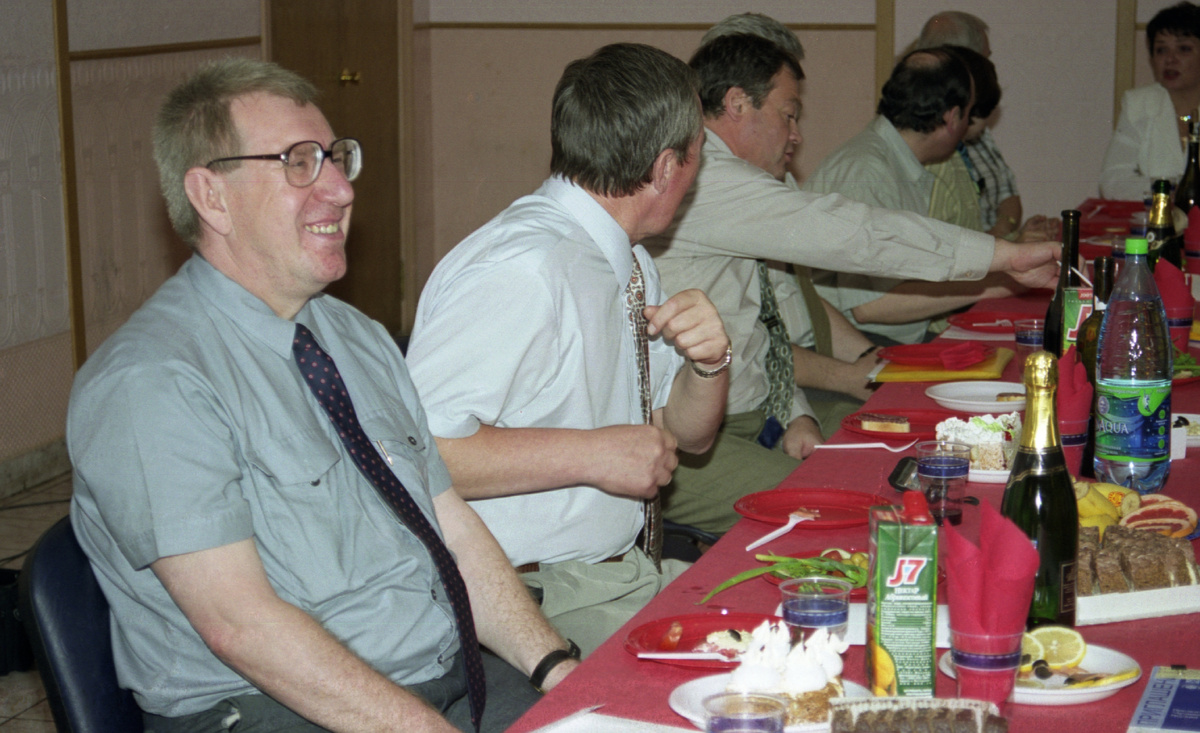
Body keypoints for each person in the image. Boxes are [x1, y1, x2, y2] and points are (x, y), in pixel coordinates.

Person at [68, 58, 576, 733]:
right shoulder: (152, 382)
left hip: (436, 676)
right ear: (211, 196)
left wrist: (559, 672)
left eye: (336, 159)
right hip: (271, 706)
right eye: (298, 163)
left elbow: (451, 529)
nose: (339, 188)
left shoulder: (355, 336)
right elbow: (240, 626)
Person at [645, 29, 1061, 518]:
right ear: (737, 104)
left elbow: (762, 329)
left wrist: (796, 413)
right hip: (688, 434)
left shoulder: (741, 183)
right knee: (856, 507)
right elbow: (859, 235)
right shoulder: (709, 180)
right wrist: (1001, 257)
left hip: (754, 411)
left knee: (899, 450)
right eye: (789, 114)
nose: (796, 134)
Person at [405, 44, 730, 654]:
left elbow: (685, 437)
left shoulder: (628, 259)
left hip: (613, 574)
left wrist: (709, 365)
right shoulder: (525, 268)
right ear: (665, 168)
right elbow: (410, 453)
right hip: (531, 595)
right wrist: (591, 454)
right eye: (698, 155)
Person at [803, 47, 1027, 345]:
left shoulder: (894, 159)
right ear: (952, 117)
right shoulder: (867, 170)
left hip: (885, 333)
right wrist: (1001, 284)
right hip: (851, 343)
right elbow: (871, 307)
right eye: (968, 113)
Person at [914, 11, 1056, 241]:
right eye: (985, 58)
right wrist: (1007, 241)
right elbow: (944, 245)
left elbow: (1008, 193)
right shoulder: (936, 148)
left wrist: (1011, 233)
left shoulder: (971, 125)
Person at [1100, 1, 1200, 199]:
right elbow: (1112, 182)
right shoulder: (1139, 103)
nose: (1170, 59)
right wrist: (1171, 189)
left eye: (1184, 49)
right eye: (1161, 50)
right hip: (1154, 217)